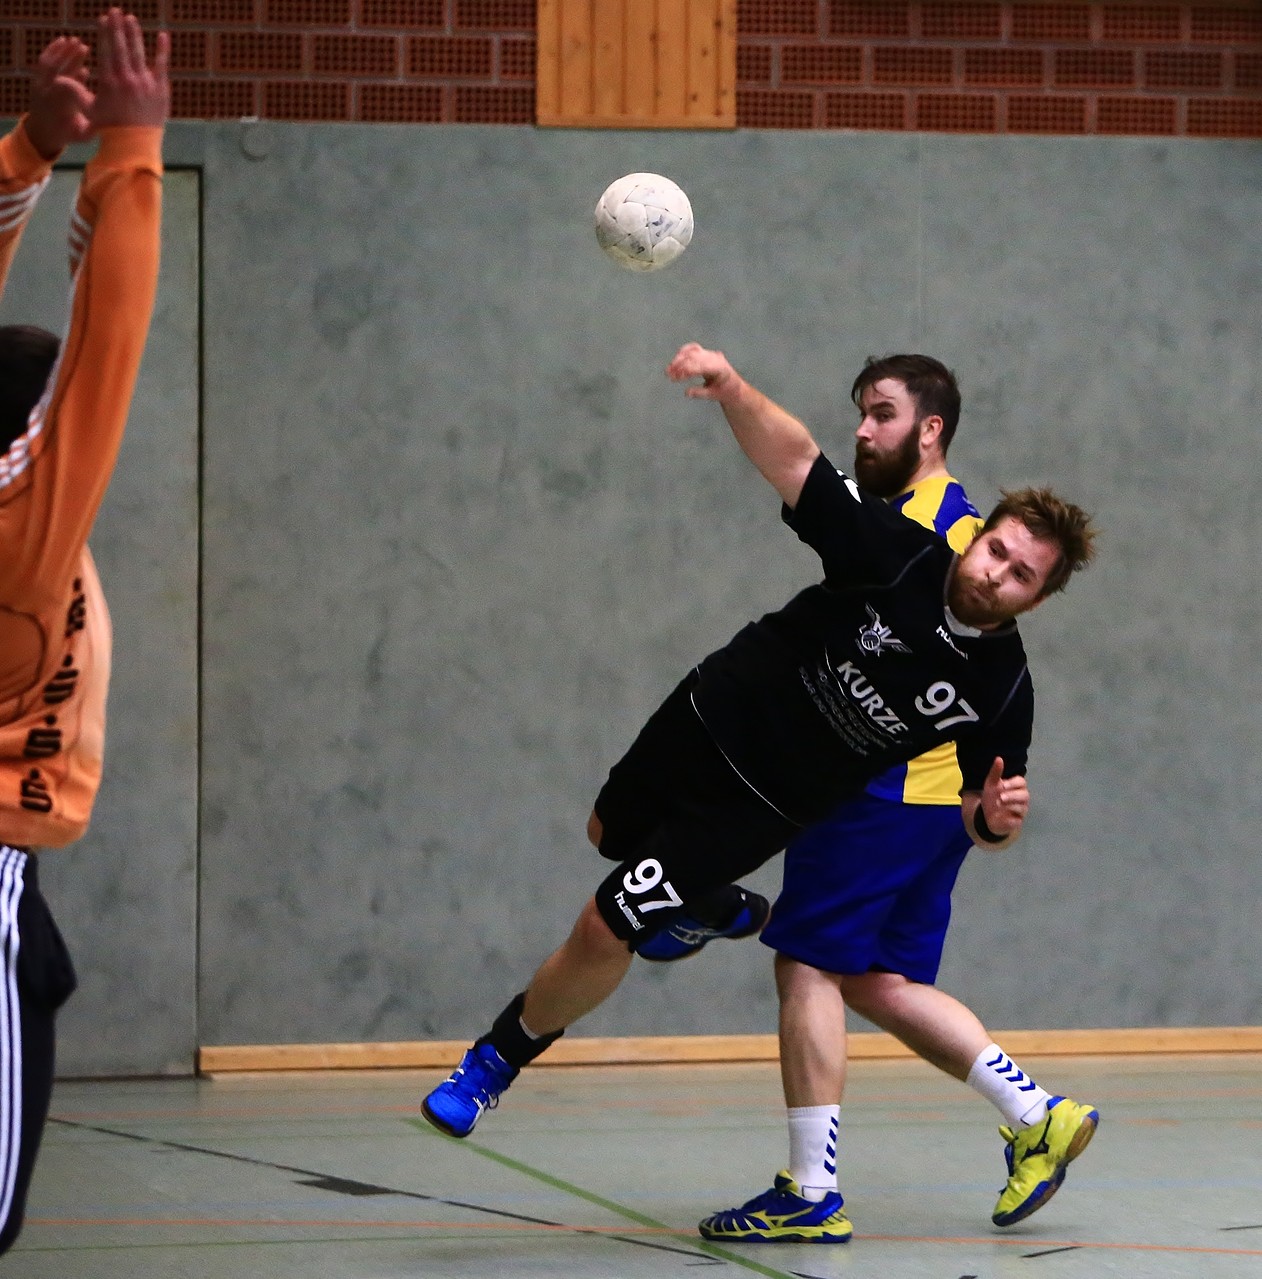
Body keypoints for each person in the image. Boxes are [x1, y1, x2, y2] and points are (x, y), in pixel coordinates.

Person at [421, 341, 1097, 1184]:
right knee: (607, 832)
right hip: (709, 714)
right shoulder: (896, 551)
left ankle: (494, 1060)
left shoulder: (1002, 689)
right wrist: (733, 387)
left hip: (764, 802)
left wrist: (992, 823)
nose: (997, 575)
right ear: (977, 538)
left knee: (609, 919)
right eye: (997, 552)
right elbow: (798, 462)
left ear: (1038, 599)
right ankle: (710, 905)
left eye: (1021, 576)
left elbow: (978, 810)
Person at [689, 354, 1097, 1245]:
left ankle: (811, 1189)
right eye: (862, 414)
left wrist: (732, 389)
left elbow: (801, 475)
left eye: (882, 415)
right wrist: (984, 817)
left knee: (805, 961)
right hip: (934, 804)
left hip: (885, 784)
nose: (864, 431)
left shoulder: (924, 533)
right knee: (878, 980)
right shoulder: (945, 521)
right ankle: (1038, 1114)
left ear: (930, 429)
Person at [0, 10, 168, 1253]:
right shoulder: (19, 523)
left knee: (44, 971)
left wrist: (26, 153)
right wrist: (131, 152)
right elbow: (103, 351)